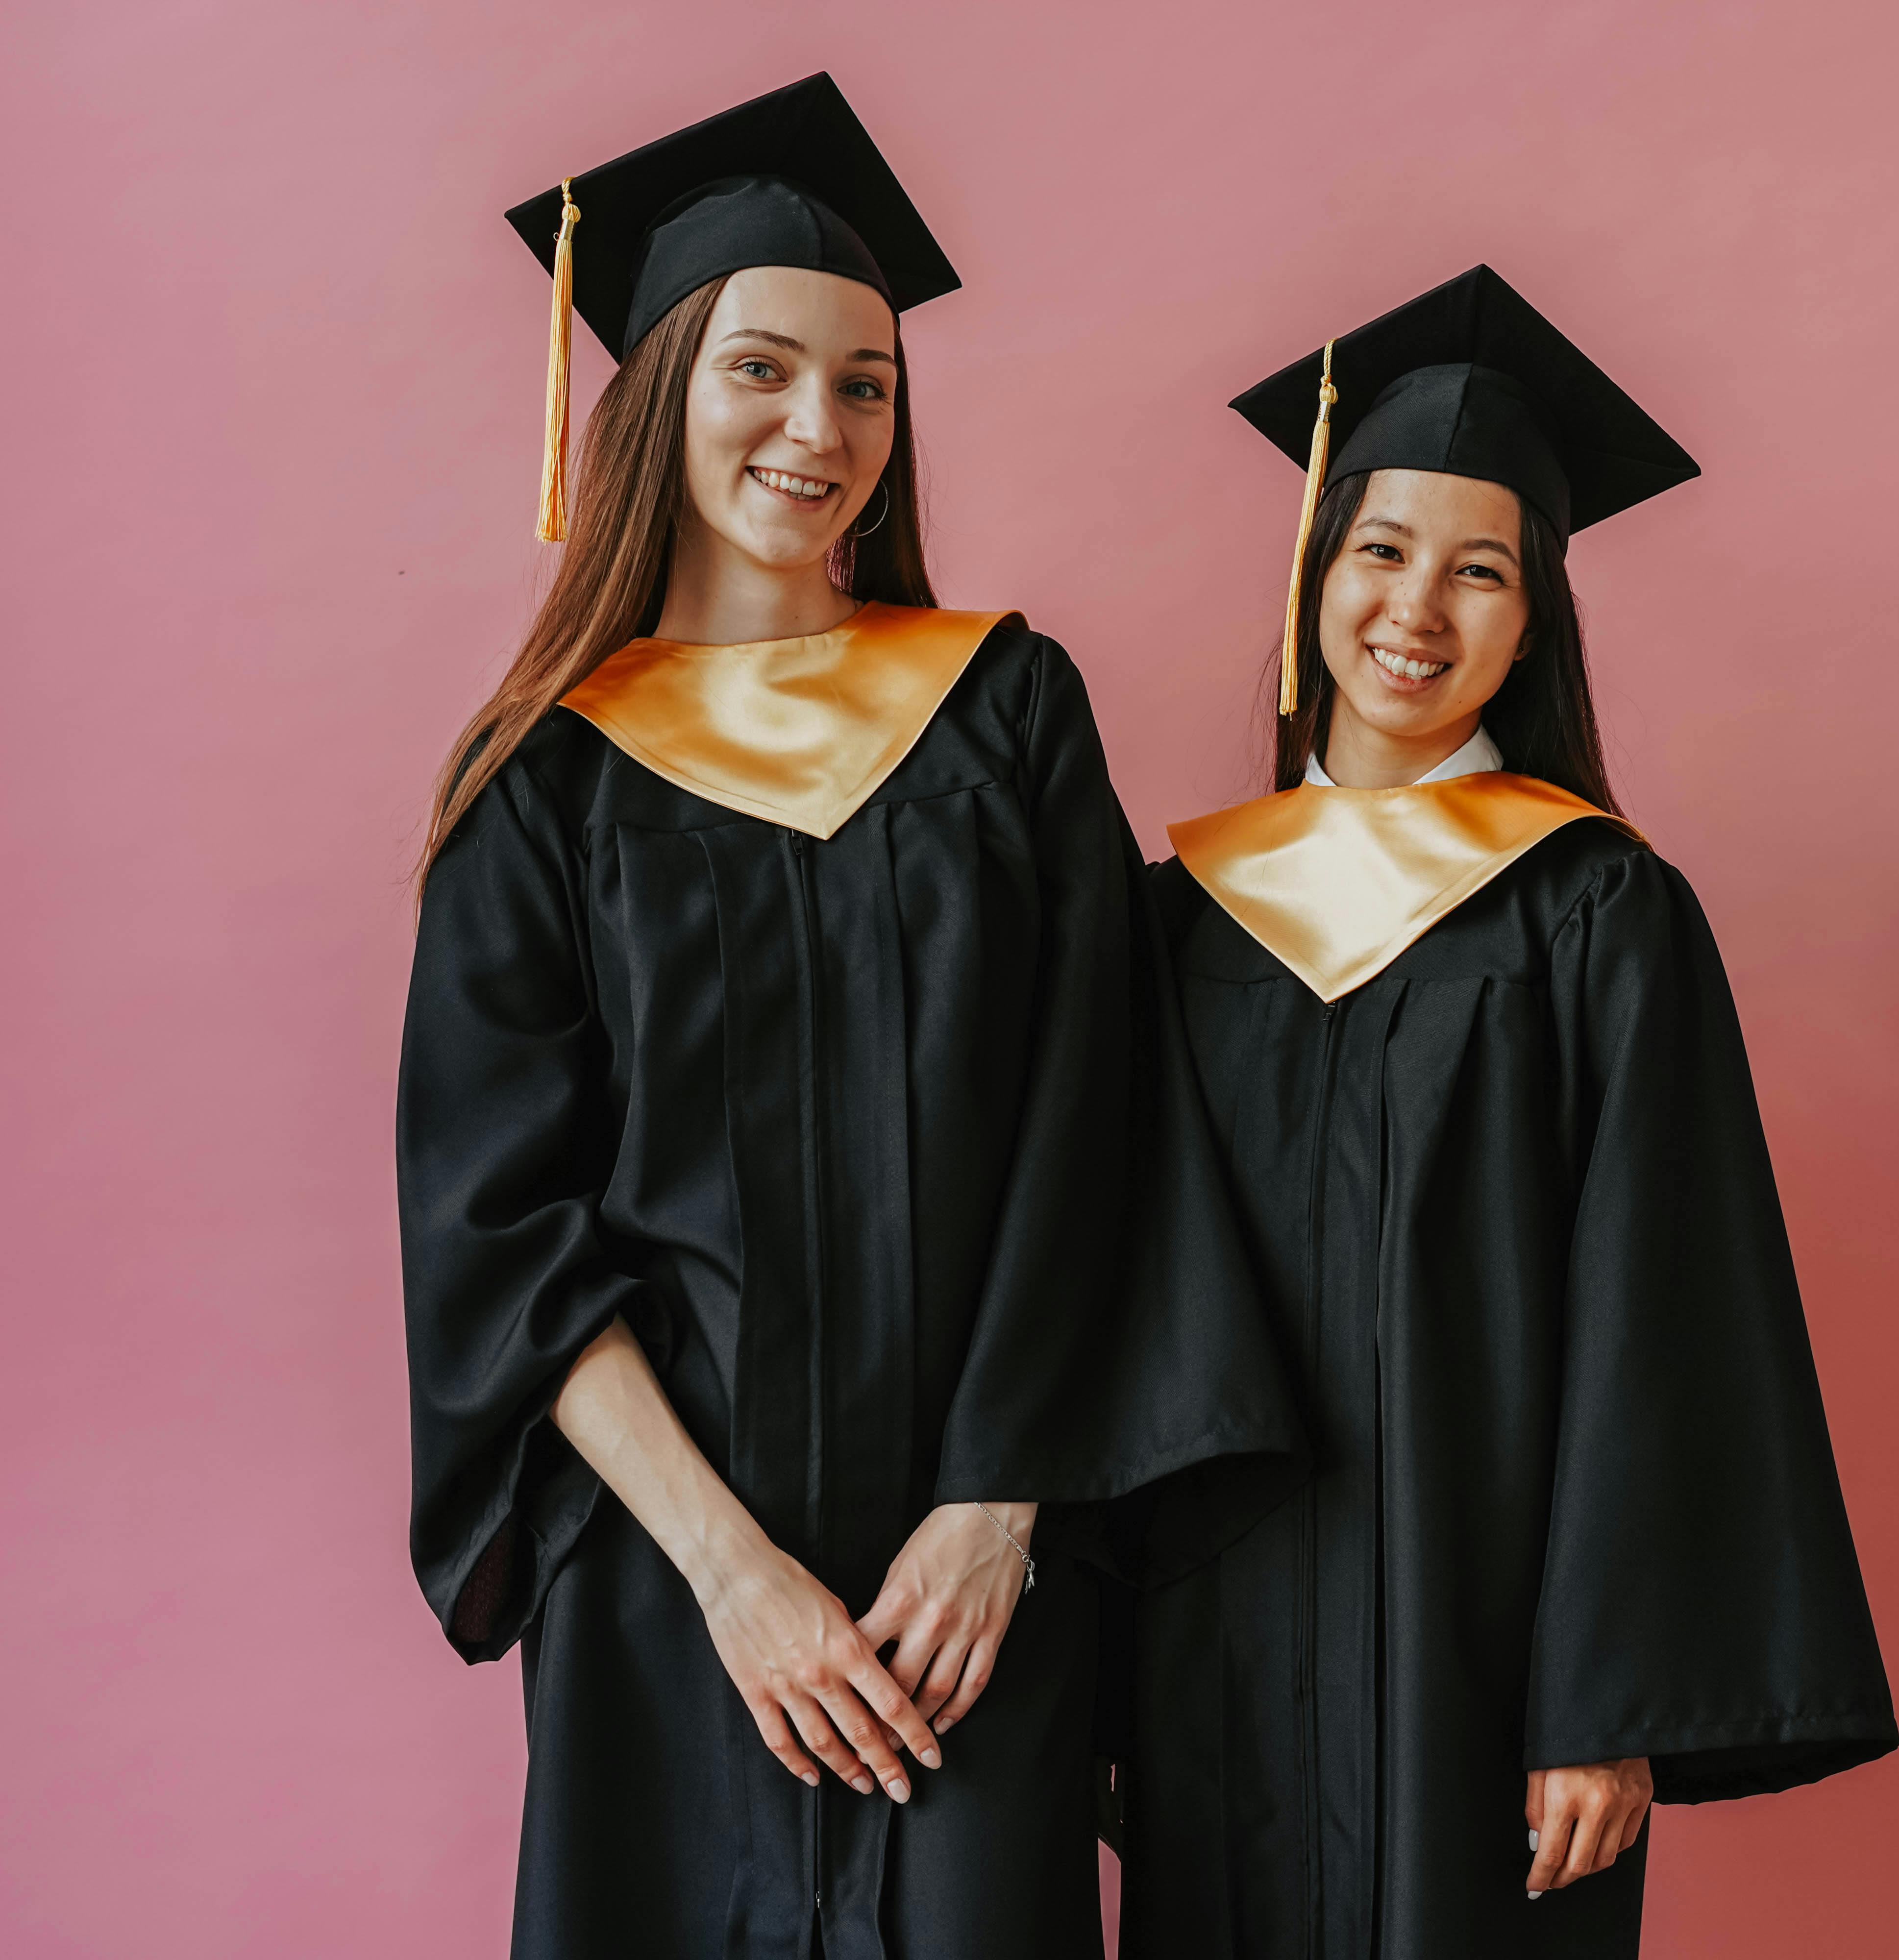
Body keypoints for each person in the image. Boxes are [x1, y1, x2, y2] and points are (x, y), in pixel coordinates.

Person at [397, 74, 1295, 1960]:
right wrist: (732, 1579)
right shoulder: (545, 789)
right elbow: (503, 1239)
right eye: (763, 371)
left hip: (963, 1592)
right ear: (655, 393)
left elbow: (1096, 1128)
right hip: (673, 1592)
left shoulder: (1004, 712)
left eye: (868, 383)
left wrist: (997, 1511)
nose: (822, 427)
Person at [1115, 266, 1898, 1960]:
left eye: (1485, 572)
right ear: (1319, 572)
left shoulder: (1600, 916)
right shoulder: (1174, 920)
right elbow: (1107, 1296)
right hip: (1210, 1646)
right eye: (1383, 551)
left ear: (1537, 620)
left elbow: (1669, 1318)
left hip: (1491, 1653)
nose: (1421, 608)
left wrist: (1602, 1693)